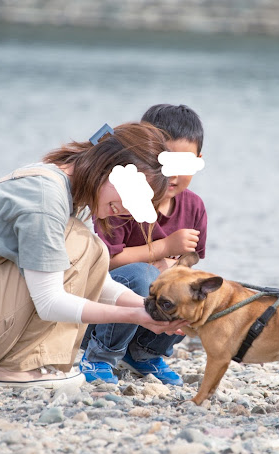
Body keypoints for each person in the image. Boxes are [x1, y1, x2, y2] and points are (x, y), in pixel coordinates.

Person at [0, 122, 187, 391]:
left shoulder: (58, 185)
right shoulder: (46, 198)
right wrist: (134, 316)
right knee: (83, 243)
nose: (130, 210)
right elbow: (50, 300)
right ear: (109, 167)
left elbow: (87, 278)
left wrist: (148, 309)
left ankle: (15, 363)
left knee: (89, 249)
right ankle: (16, 368)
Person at [80, 104, 207, 385]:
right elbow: (106, 261)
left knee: (194, 287)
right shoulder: (121, 199)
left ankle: (145, 353)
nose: (172, 175)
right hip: (103, 310)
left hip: (147, 310)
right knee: (142, 275)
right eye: (164, 162)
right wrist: (162, 249)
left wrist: (174, 267)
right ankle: (99, 355)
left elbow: (191, 262)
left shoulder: (194, 207)